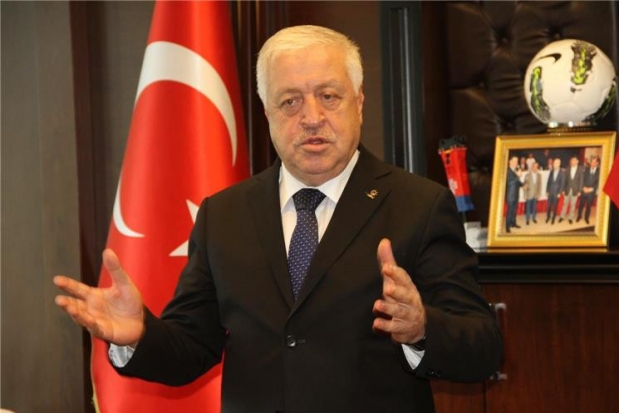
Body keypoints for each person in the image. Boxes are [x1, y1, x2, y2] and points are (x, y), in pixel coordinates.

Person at [54, 25, 502, 413]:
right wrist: (137, 336)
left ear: (359, 103)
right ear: (267, 112)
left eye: (328, 96)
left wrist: (422, 329)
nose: (312, 118)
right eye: (290, 101)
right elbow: (192, 345)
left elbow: (483, 347)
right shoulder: (223, 215)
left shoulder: (419, 205)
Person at [559, 156, 583, 224]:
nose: (572, 161)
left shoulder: (580, 169)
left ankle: (570, 218)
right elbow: (565, 180)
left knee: (573, 205)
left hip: (575, 190)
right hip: (567, 189)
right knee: (565, 204)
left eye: (573, 160)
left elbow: (581, 180)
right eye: (571, 160)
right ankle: (562, 216)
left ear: (577, 161)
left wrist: (579, 191)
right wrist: (563, 189)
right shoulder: (567, 168)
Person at [577, 156, 600, 225]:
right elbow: (582, 179)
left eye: (594, 162)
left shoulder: (600, 171)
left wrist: (591, 189)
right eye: (591, 162)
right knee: (581, 204)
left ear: (597, 163)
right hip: (584, 190)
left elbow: (599, 182)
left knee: (589, 206)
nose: (592, 163)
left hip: (591, 192)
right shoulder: (586, 169)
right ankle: (579, 216)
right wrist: (583, 187)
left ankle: (586, 218)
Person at [505, 156, 524, 233]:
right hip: (510, 195)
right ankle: (507, 227)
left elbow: (517, 182)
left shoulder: (515, 171)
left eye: (517, 161)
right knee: (509, 211)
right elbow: (509, 182)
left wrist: (523, 185)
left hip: (516, 194)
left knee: (514, 210)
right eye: (515, 161)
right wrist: (518, 176)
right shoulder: (507, 171)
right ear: (510, 162)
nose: (516, 162)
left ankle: (513, 223)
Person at [546, 158, 566, 224]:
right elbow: (548, 181)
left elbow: (562, 183)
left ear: (559, 164)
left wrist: (559, 193)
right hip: (550, 191)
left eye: (555, 163)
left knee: (555, 206)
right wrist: (547, 190)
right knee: (548, 206)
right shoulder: (552, 171)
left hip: (556, 192)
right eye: (554, 163)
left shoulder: (562, 172)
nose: (554, 164)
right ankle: (548, 217)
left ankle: (553, 219)